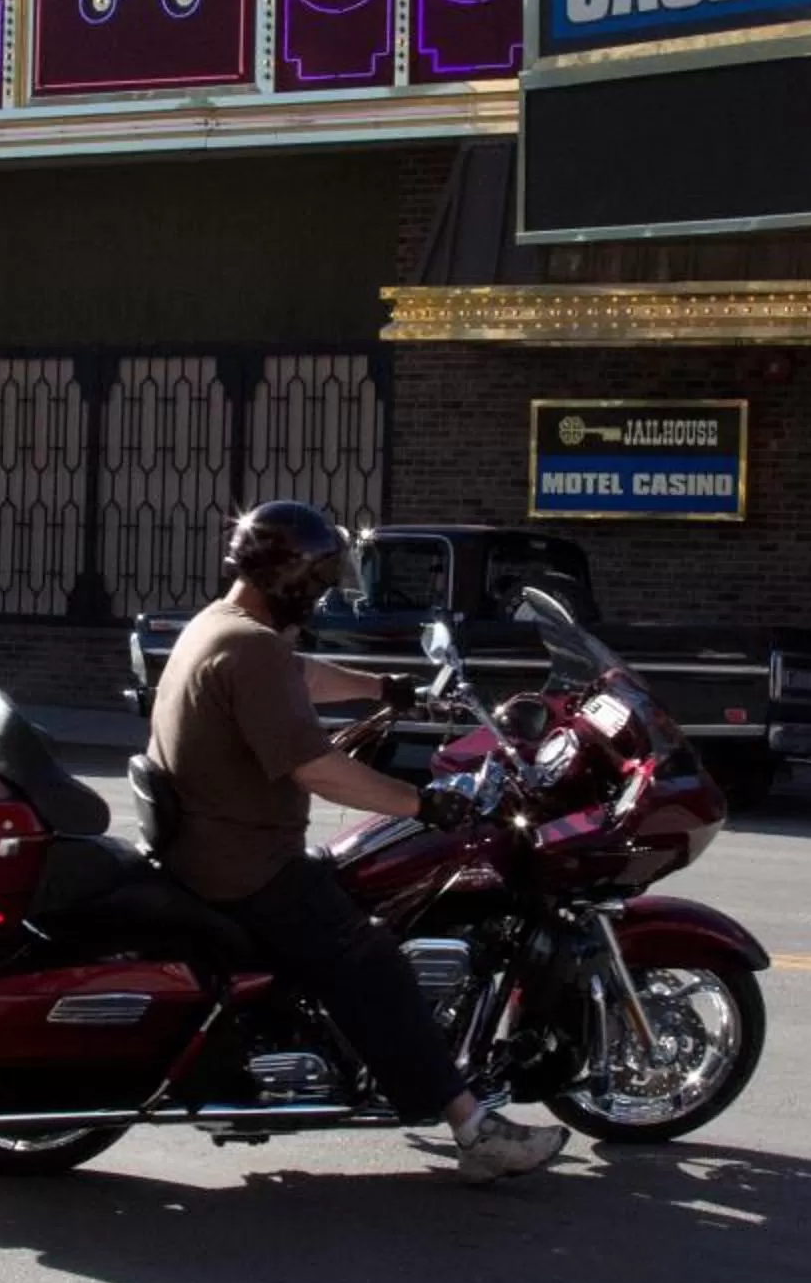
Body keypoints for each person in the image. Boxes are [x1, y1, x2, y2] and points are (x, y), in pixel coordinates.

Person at [147, 501, 569, 1183]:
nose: (320, 594)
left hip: (210, 845)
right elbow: (314, 768)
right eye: (317, 579)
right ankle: (472, 1126)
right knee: (375, 963)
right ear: (292, 579)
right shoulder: (249, 646)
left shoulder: (225, 625)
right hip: (245, 865)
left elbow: (301, 673)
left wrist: (386, 690)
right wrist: (425, 802)